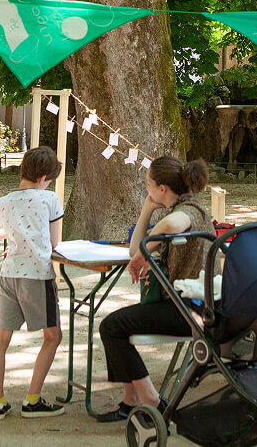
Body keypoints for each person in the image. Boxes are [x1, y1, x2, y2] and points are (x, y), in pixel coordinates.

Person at [96, 157, 215, 423]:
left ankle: (150, 400)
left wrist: (144, 251)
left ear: (162, 188)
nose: (146, 188)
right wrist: (147, 210)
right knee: (116, 325)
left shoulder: (191, 210)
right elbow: (133, 249)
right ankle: (131, 400)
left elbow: (173, 226)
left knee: (111, 327)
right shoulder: (181, 207)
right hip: (182, 306)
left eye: (148, 184)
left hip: (192, 311)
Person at [0, 146, 66, 420]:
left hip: (9, 273)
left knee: (1, 338)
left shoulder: (5, 201)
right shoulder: (49, 200)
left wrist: (15, 235)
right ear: (43, 178)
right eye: (50, 179)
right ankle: (32, 399)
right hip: (37, 274)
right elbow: (53, 243)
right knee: (53, 336)